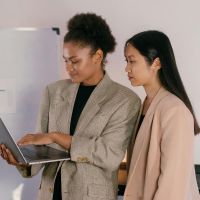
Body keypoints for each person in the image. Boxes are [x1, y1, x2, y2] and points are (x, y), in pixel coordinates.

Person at [0, 13, 141, 200]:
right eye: (66, 60)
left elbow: (110, 155)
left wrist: (55, 137)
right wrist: (20, 160)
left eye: (75, 61)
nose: (68, 67)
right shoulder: (54, 91)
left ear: (98, 56)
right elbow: (42, 148)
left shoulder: (125, 100)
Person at [123, 30, 200, 200]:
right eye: (126, 61)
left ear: (156, 63)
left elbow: (172, 184)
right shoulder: (144, 105)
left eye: (132, 61)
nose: (126, 68)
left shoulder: (174, 110)